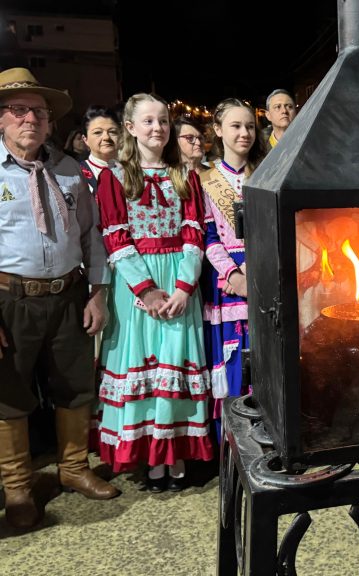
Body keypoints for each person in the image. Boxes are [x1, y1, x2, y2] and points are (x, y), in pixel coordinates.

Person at [0, 67, 120, 530]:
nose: (30, 118)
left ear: (50, 123)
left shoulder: (68, 170)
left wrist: (97, 292)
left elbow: (92, 236)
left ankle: (73, 469)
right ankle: (17, 487)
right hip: (11, 300)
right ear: (2, 119)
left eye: (39, 111)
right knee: (9, 394)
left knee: (74, 385)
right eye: (18, 110)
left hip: (69, 294)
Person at [96, 93, 213, 492]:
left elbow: (194, 232)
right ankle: (149, 455)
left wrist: (183, 289)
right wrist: (147, 292)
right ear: (129, 127)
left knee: (174, 359)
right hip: (137, 286)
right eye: (147, 121)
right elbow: (116, 237)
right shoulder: (114, 177)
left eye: (163, 121)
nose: (157, 128)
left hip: (179, 277)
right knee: (143, 363)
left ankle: (176, 452)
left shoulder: (184, 175)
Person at [199, 98, 264, 438]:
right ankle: (232, 438)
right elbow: (208, 235)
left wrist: (256, 270)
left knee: (264, 354)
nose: (244, 133)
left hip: (263, 271)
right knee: (232, 356)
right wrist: (233, 275)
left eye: (250, 126)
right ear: (219, 131)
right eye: (236, 126)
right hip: (227, 281)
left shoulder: (266, 173)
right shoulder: (205, 180)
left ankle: (266, 430)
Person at [79, 105, 121, 193]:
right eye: (98, 132)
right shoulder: (78, 174)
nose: (106, 137)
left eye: (112, 132)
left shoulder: (132, 170)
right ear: (85, 139)